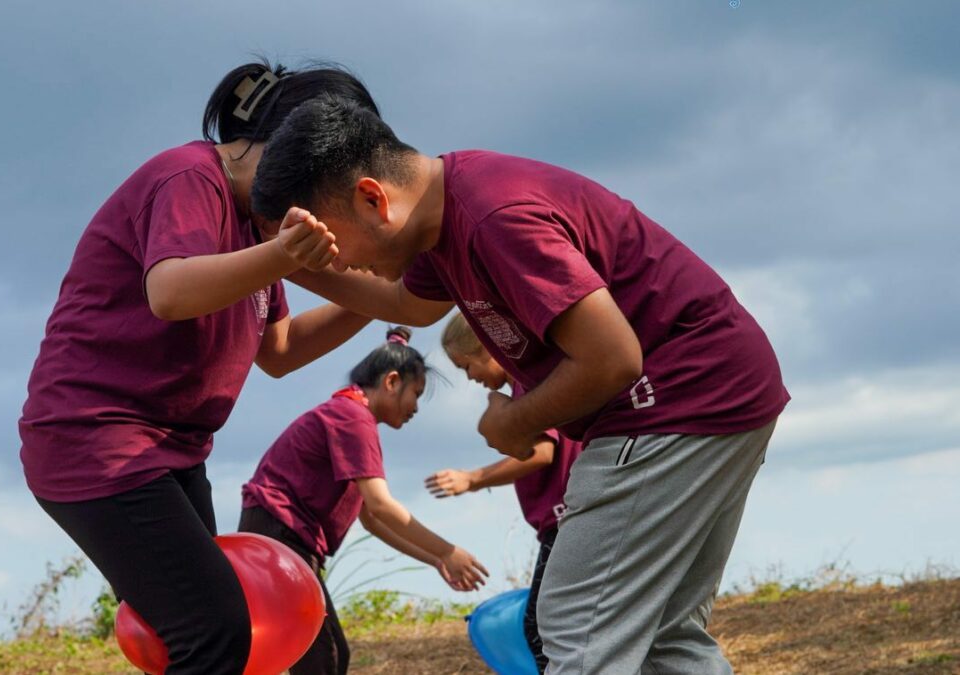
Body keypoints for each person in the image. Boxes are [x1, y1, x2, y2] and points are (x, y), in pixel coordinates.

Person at [248, 95, 790, 673]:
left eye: (332, 243)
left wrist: (515, 418)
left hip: (673, 402)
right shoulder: (446, 217)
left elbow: (612, 358)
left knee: (578, 628)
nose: (339, 262)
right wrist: (279, 263)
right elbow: (407, 303)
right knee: (663, 636)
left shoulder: (492, 216)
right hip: (722, 390)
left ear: (371, 198)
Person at [18, 64, 384, 675]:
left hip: (174, 454)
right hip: (97, 441)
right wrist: (281, 254)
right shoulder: (189, 178)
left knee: (207, 639)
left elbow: (281, 349)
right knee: (214, 634)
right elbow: (170, 291)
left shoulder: (257, 224)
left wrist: (383, 291)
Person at [238, 326, 488, 674]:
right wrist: (447, 550)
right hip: (280, 535)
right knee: (322, 657)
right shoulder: (352, 417)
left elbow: (372, 517)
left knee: (328, 653)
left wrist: (434, 560)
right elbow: (383, 505)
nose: (416, 407)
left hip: (281, 536)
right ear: (391, 382)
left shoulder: (351, 415)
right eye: (416, 393)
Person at [426, 313, 582, 673]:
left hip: (565, 523)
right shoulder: (528, 385)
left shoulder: (528, 382)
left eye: (467, 365)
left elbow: (543, 452)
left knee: (542, 626)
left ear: (491, 345)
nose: (470, 377)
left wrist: (473, 478)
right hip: (562, 523)